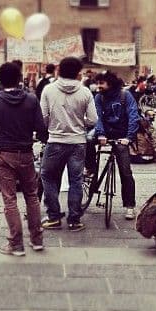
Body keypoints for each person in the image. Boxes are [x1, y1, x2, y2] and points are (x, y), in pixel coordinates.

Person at [0, 61, 48, 256]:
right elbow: (41, 128)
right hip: (26, 153)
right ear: (19, 79)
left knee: (9, 199)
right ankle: (37, 240)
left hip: (4, 153)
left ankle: (16, 243)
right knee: (32, 196)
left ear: (0, 80)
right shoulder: (31, 100)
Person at [40, 56, 98, 232]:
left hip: (55, 140)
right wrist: (80, 124)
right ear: (77, 73)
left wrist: (52, 126)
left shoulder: (48, 90)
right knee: (76, 180)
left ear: (59, 70)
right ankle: (74, 220)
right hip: (78, 142)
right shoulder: (85, 92)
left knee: (48, 177)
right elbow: (93, 119)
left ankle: (54, 217)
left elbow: (42, 117)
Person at [93, 71, 139, 220]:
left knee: (125, 172)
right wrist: (100, 134)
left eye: (101, 83)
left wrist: (129, 137)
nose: (98, 86)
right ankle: (89, 170)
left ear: (110, 84)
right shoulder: (99, 97)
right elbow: (97, 116)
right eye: (98, 83)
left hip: (122, 136)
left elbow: (133, 116)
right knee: (85, 141)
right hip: (104, 134)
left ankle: (130, 206)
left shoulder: (125, 95)